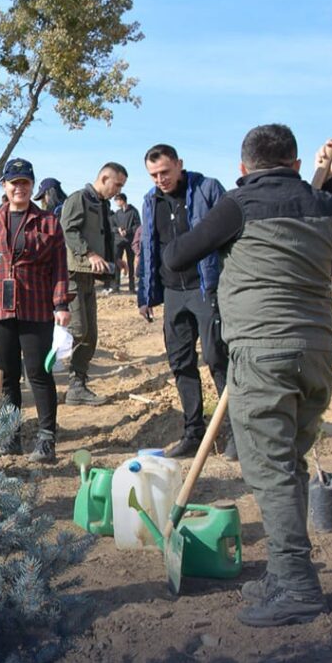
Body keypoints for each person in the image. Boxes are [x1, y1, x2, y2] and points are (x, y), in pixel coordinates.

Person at [163, 126, 332, 627]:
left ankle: (298, 587)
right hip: (317, 353)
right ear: (292, 162)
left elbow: (177, 256)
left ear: (243, 169)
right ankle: (285, 575)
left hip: (263, 353)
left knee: (270, 471)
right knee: (289, 462)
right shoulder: (327, 206)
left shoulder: (238, 205)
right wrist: (324, 183)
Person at [139, 144, 232, 459]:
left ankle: (234, 432)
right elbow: (149, 249)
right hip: (173, 294)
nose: (160, 179)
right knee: (180, 363)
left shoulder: (208, 189)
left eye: (165, 172)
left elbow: (230, 236)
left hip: (206, 288)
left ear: (179, 165)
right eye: (153, 175)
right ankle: (194, 432)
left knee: (217, 357)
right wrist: (146, 295)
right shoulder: (150, 201)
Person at [0, 158, 70, 463]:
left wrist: (61, 304)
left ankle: (47, 438)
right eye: (14, 182)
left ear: (32, 186)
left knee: (39, 374)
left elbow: (60, 267)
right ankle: (11, 435)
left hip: (36, 307)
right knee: (6, 376)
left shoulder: (48, 222)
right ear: (4, 186)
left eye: (25, 183)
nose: (19, 187)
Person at [60, 163, 127, 405]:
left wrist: (114, 260)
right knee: (78, 330)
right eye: (117, 184)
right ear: (104, 177)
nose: (118, 190)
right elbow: (68, 229)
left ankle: (78, 385)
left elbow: (102, 236)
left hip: (88, 275)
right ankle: (60, 380)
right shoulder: (79, 199)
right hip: (74, 274)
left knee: (90, 333)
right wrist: (89, 255)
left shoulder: (102, 204)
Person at [112, 192, 140, 293]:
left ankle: (132, 288)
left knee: (131, 264)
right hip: (118, 241)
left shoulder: (133, 211)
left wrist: (127, 231)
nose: (116, 203)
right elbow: (112, 226)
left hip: (130, 241)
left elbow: (137, 225)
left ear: (122, 200)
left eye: (117, 201)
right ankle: (116, 287)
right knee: (117, 263)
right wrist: (118, 229)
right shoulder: (117, 213)